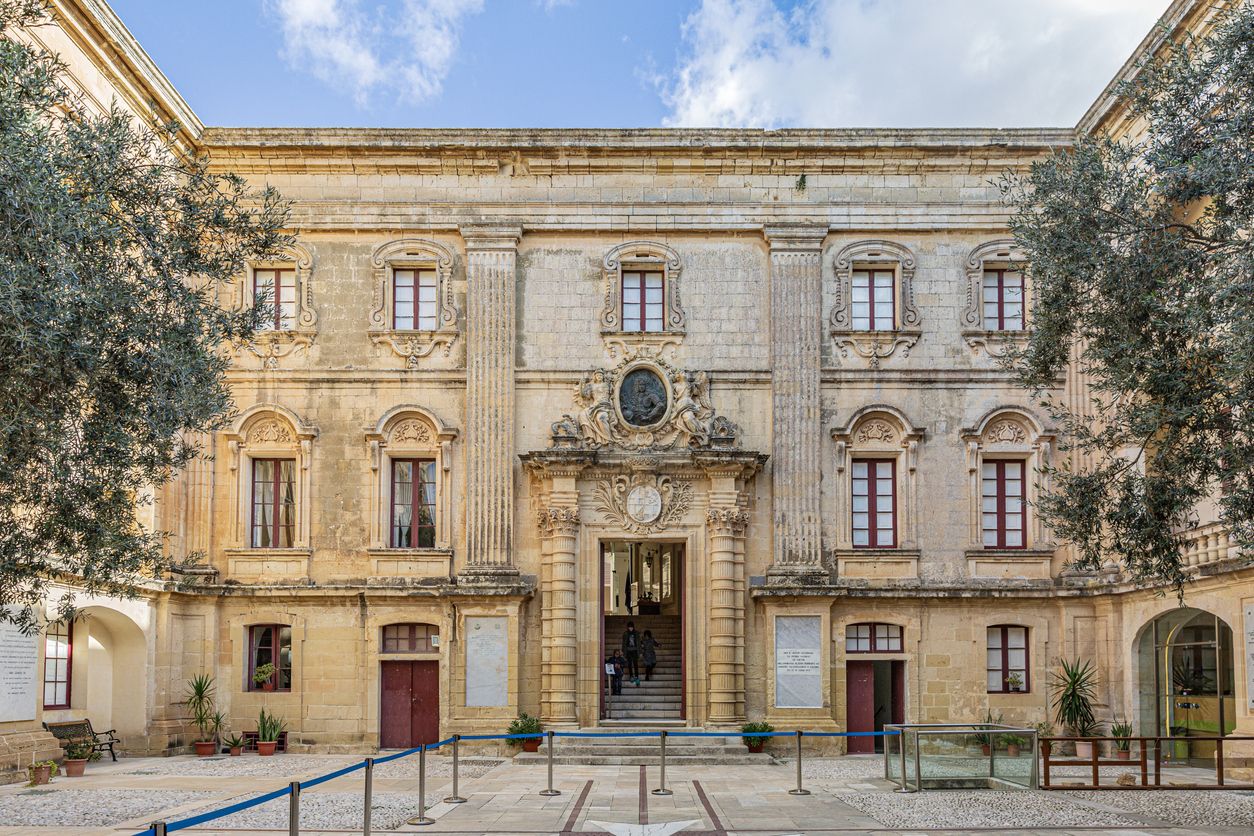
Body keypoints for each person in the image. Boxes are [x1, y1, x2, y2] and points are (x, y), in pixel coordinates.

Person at [621, 621, 641, 685]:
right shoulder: (625, 634)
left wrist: (640, 651)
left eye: (631, 627)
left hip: (635, 650)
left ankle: (637, 677)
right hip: (628, 650)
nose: (630, 628)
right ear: (627, 627)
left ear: (633, 627)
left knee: (635, 664)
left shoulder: (637, 633)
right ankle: (631, 676)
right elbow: (623, 643)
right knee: (629, 664)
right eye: (629, 627)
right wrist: (623, 651)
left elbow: (639, 643)